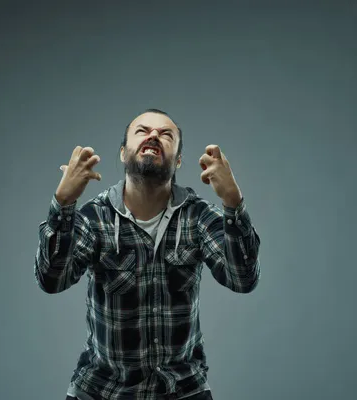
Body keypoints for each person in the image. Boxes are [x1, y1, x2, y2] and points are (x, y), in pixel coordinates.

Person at [34, 109, 261, 400]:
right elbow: (51, 280)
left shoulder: (197, 216)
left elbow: (243, 279)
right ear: (122, 153)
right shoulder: (95, 218)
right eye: (142, 131)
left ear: (178, 160)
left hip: (182, 391)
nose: (153, 135)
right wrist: (63, 204)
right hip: (102, 391)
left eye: (166, 134)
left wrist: (233, 202)